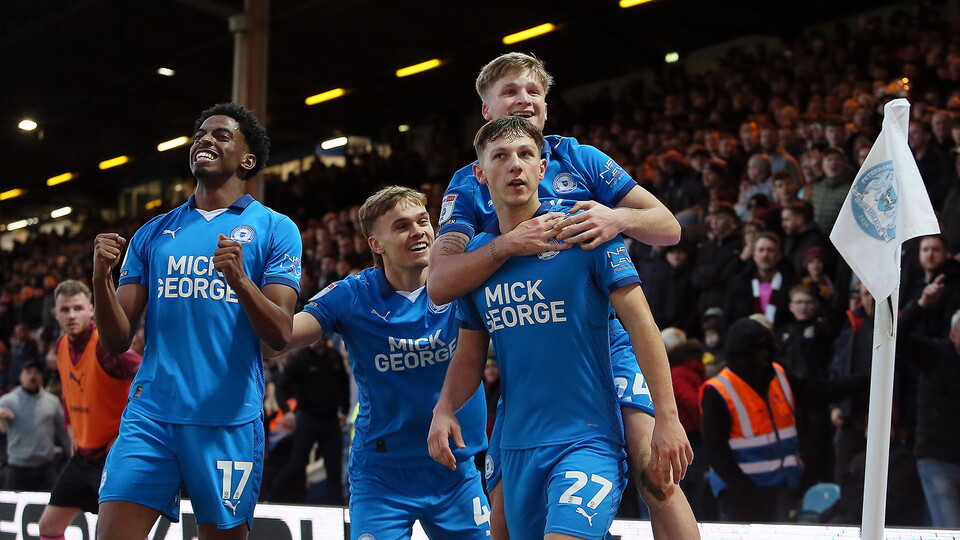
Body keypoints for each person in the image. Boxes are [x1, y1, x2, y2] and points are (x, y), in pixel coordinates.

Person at [426, 52, 697, 540]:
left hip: (598, 338)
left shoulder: (581, 157)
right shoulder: (468, 181)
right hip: (527, 358)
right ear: (486, 110)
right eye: (510, 91)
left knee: (652, 466)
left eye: (533, 91)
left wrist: (618, 218)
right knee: (504, 516)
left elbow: (670, 227)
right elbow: (441, 282)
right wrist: (511, 242)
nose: (524, 99)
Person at [92, 103, 302, 540]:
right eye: (200, 135)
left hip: (228, 419)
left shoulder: (276, 229)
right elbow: (115, 341)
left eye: (221, 135)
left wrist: (241, 281)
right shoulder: (153, 232)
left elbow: (280, 335)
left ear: (248, 160)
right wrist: (99, 279)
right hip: (152, 416)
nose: (204, 140)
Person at [265, 186, 490, 539]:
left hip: (456, 471)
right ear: (376, 244)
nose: (418, 231)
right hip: (382, 476)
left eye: (423, 221)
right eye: (401, 226)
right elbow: (278, 339)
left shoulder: (464, 281)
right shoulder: (352, 294)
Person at [700, 317, 866, 522]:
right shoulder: (718, 391)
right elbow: (716, 452)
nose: (765, 356)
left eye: (767, 349)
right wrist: (746, 491)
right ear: (741, 354)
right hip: (740, 496)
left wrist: (864, 381)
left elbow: (818, 391)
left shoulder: (778, 375)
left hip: (780, 488)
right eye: (759, 351)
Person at [39, 280, 141, 540]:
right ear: (56, 313)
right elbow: (68, 391)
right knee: (49, 528)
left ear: (91, 310)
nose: (71, 315)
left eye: (77, 308)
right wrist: (71, 428)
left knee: (121, 534)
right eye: (65, 310)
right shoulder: (62, 344)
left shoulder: (106, 346)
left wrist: (128, 431)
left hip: (112, 458)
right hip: (83, 455)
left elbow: (148, 377)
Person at [897, 277, 960, 528]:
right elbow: (897, 338)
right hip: (938, 458)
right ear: (953, 334)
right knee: (950, 528)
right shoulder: (935, 354)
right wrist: (921, 304)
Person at [265, 336, 349, 504]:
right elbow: (282, 386)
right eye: (319, 338)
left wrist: (345, 411)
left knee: (334, 468)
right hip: (308, 418)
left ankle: (339, 508)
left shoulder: (334, 357)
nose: (323, 340)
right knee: (297, 463)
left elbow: (344, 385)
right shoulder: (301, 359)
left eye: (325, 337)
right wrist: (287, 411)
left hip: (331, 420)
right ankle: (270, 498)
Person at [0, 360, 68, 492]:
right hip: (17, 468)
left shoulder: (52, 402)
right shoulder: (8, 401)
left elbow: (64, 432)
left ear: (41, 377)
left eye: (36, 372)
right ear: (21, 376)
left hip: (46, 469)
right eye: (28, 372)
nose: (32, 376)